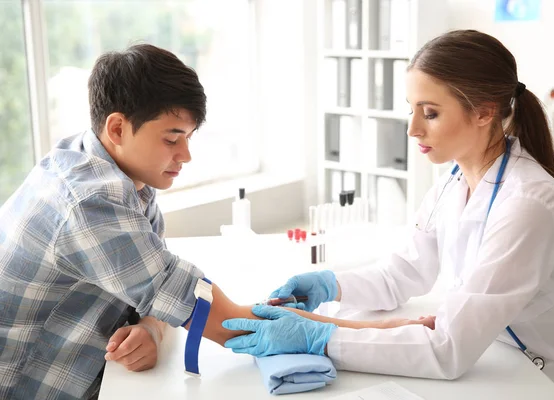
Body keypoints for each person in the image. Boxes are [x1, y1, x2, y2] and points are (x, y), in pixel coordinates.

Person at [0, 44, 434, 400]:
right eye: (172, 138)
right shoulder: (93, 201)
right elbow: (225, 322)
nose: (185, 156)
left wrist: (152, 325)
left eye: (188, 138)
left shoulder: (109, 168)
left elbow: (159, 294)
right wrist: (382, 332)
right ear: (116, 128)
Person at [222, 30, 554, 400]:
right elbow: (403, 273)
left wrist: (321, 338)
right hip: (494, 354)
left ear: (484, 112)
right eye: (412, 109)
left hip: (552, 378)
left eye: (430, 113)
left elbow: (447, 349)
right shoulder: (453, 182)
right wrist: (328, 285)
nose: (412, 129)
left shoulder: (527, 204)